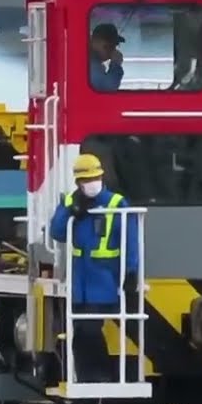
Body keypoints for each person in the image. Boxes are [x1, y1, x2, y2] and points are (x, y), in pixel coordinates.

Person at [48, 153, 140, 384]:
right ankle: (88, 376)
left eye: (95, 177)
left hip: (104, 280)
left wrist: (131, 272)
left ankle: (99, 375)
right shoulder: (70, 202)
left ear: (102, 176)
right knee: (80, 331)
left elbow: (131, 241)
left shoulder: (116, 203)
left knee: (89, 329)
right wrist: (72, 211)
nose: (91, 183)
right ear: (78, 182)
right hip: (80, 282)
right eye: (86, 180)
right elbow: (56, 232)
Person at [89, 23, 126, 91]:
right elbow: (107, 88)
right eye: (109, 46)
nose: (112, 51)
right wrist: (116, 65)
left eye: (114, 46)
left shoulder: (94, 62)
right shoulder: (89, 63)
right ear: (95, 42)